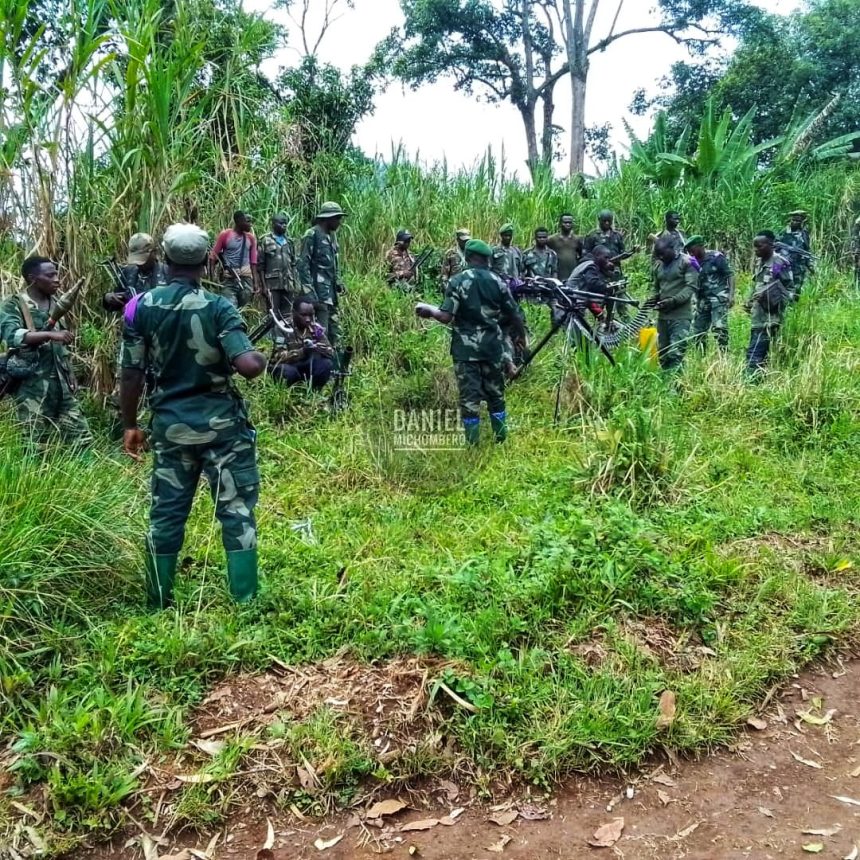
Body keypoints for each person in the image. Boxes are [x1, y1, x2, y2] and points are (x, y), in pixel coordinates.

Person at [120, 223, 267, 609]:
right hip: (222, 429)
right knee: (236, 511)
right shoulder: (220, 307)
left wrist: (130, 425)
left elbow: (131, 373)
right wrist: (261, 357)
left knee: (166, 512)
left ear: (165, 260)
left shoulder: (140, 308)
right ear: (206, 261)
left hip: (170, 427)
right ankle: (245, 601)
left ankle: (158, 600)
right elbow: (248, 365)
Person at [415, 239, 525, 445]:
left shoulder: (457, 281)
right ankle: (500, 438)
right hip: (492, 348)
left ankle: (473, 444)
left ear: (467, 257)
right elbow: (515, 314)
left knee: (469, 399)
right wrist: (521, 338)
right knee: (496, 394)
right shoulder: (498, 281)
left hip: (465, 351)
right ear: (487, 258)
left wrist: (429, 309)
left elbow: (446, 316)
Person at [0, 257, 92, 448]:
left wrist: (71, 375)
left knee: (82, 439)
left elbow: (62, 350)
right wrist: (51, 334)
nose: (57, 279)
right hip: (31, 387)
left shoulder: (57, 303)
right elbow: (13, 336)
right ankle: (34, 478)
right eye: (50, 275)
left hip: (62, 385)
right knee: (33, 443)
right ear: (33, 278)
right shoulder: (15, 304)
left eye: (56, 274)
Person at [297, 201, 347, 348]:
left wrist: (338, 281)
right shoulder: (312, 234)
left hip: (330, 295)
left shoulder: (331, 237)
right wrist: (309, 293)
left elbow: (334, 264)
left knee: (334, 331)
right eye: (337, 218)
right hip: (318, 295)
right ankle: (320, 365)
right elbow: (302, 264)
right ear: (328, 218)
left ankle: (334, 365)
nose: (339, 222)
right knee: (320, 331)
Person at [744, 231, 793, 375]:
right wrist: (750, 300)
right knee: (762, 354)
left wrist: (772, 299)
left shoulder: (778, 263)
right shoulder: (760, 262)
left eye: (759, 246)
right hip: (757, 316)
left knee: (754, 355)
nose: (755, 250)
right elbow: (757, 285)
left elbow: (791, 290)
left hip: (771, 319)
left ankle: (750, 382)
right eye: (754, 247)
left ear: (770, 245)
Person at [649, 237, 697, 371]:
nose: (660, 257)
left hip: (681, 316)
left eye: (662, 253)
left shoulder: (687, 262)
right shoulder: (659, 265)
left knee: (676, 352)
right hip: (663, 317)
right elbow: (656, 286)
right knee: (663, 354)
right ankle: (668, 384)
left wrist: (673, 301)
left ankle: (674, 387)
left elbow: (690, 288)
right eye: (657, 254)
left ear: (672, 249)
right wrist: (654, 299)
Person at [269, 298, 335, 389]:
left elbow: (330, 351)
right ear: (293, 312)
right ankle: (287, 393)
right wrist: (302, 351)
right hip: (288, 366)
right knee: (287, 371)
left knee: (326, 364)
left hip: (307, 366)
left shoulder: (315, 328)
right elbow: (278, 357)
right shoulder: (282, 327)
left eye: (310, 315)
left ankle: (313, 391)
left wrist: (318, 348)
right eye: (303, 315)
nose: (308, 319)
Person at [685, 235, 734, 352]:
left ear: (700, 246)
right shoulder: (691, 261)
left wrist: (731, 295)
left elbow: (730, 275)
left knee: (719, 328)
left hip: (718, 298)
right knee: (698, 331)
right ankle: (701, 355)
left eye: (692, 248)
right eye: (688, 250)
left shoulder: (716, 257)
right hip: (702, 300)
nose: (690, 252)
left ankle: (724, 355)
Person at [102, 233, 168, 311]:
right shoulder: (129, 272)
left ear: (154, 253)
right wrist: (107, 299)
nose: (139, 264)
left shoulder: (167, 273)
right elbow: (119, 300)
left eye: (143, 259)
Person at [210, 211, 258, 308]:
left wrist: (255, 283)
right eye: (248, 221)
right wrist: (212, 280)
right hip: (229, 279)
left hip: (246, 280)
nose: (250, 225)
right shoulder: (225, 235)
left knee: (244, 309)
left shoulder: (251, 238)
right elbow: (212, 257)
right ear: (239, 221)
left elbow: (253, 262)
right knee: (229, 309)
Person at [258, 213, 298, 320]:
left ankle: (285, 336)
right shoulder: (265, 241)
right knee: (272, 315)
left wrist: (295, 283)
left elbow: (293, 264)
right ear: (274, 224)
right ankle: (272, 336)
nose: (284, 225)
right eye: (281, 223)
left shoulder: (289, 242)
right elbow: (261, 266)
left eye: (285, 223)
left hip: (288, 284)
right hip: (272, 284)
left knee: (287, 315)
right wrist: (263, 286)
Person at [778, 209, 812, 299]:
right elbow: (774, 245)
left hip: (797, 265)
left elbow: (807, 250)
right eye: (793, 220)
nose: (795, 222)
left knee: (796, 288)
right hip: (781, 264)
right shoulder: (783, 232)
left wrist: (810, 265)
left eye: (798, 221)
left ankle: (793, 308)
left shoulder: (803, 234)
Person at [547, 213, 583, 282]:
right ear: (560, 223)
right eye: (565, 222)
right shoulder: (552, 239)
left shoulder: (577, 239)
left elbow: (582, 256)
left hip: (573, 274)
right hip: (557, 274)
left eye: (570, 222)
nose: (568, 224)